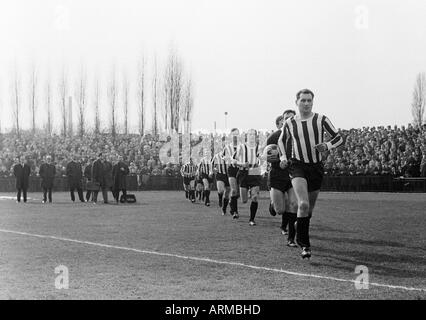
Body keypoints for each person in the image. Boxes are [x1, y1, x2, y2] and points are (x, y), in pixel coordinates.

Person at [278, 89, 343, 259]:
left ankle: (300, 223)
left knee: (309, 210)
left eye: (309, 100)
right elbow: (281, 141)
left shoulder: (321, 119)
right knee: (303, 205)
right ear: (297, 102)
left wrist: (327, 146)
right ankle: (304, 245)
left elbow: (339, 138)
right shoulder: (290, 123)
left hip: (316, 167)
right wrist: (284, 157)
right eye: (303, 100)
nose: (306, 103)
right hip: (297, 166)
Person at [265, 110, 299, 247]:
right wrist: (275, 159)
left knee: (293, 205)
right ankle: (273, 204)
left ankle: (291, 239)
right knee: (280, 210)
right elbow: (266, 155)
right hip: (277, 175)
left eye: (292, 118)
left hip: (293, 174)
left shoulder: (299, 136)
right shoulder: (274, 137)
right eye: (286, 118)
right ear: (282, 121)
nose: (289, 120)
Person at [236, 129, 262, 226]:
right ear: (247, 136)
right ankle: (233, 200)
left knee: (255, 197)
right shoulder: (242, 147)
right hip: (243, 173)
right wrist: (242, 164)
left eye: (254, 134)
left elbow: (262, 159)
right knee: (244, 200)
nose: (252, 136)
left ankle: (252, 219)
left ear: (256, 136)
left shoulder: (259, 147)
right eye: (250, 134)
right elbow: (234, 160)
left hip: (255, 172)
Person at [222, 128, 240, 219]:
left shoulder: (243, 146)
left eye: (237, 134)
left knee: (238, 194)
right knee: (233, 190)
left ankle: (231, 202)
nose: (235, 136)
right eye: (234, 135)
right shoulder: (227, 147)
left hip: (241, 170)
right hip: (231, 169)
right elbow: (223, 157)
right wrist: (229, 159)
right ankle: (235, 212)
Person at [211, 150, 230, 215]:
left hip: (229, 175)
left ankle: (224, 208)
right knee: (221, 190)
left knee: (227, 194)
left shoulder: (231, 154)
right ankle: (220, 199)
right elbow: (212, 165)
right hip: (220, 175)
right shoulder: (216, 156)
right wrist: (213, 171)